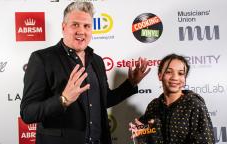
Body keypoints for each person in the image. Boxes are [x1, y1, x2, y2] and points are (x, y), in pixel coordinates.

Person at [20, 2, 150, 144]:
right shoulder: (42, 59)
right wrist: (63, 100)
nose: (81, 31)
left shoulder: (97, 61)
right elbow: (28, 113)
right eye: (75, 25)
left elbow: (104, 100)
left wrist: (131, 83)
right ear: (64, 27)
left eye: (86, 26)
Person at [129, 53, 215, 144]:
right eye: (168, 72)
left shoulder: (195, 105)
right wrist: (142, 136)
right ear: (160, 75)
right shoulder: (153, 106)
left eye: (181, 73)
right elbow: (145, 139)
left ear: (185, 78)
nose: (175, 77)